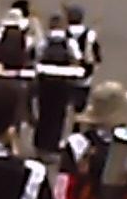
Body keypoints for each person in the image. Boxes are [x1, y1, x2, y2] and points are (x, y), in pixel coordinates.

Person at [31, 11, 88, 155]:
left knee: (44, 114)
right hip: (62, 84)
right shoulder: (70, 43)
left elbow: (36, 58)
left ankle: (39, 145)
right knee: (58, 116)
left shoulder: (43, 42)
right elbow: (77, 60)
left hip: (45, 83)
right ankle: (52, 145)